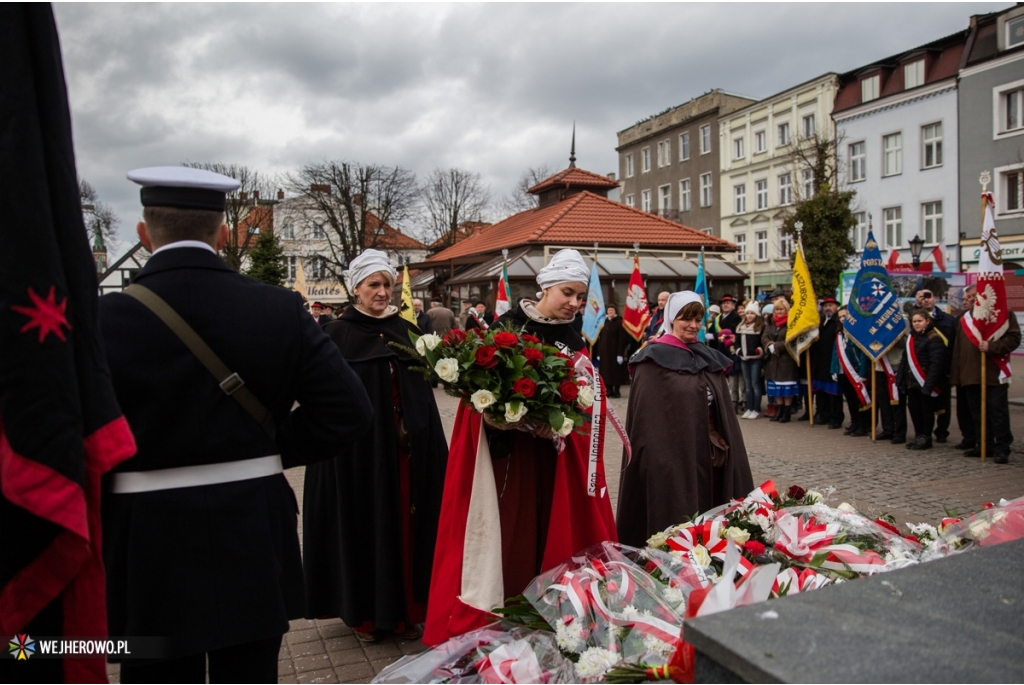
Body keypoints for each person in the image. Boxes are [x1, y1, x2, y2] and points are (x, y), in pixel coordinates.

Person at [100, 166, 374, 683]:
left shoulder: (101, 319)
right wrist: (265, 451)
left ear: (143, 233)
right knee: (248, 671)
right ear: (224, 234)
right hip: (250, 521)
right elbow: (349, 413)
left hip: (143, 535)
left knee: (156, 672)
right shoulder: (279, 309)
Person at [424, 249, 618, 646]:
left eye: (581, 297)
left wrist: (559, 423)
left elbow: (583, 401)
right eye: (568, 293)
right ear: (545, 286)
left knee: (553, 524)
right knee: (511, 532)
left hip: (552, 458)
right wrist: (497, 415)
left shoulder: (574, 339)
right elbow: (476, 396)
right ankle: (503, 607)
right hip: (506, 459)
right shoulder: (505, 330)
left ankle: (554, 611)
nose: (574, 304)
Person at [303, 249, 449, 643]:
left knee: (407, 526)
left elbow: (423, 393)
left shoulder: (408, 331)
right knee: (365, 526)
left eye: (386, 284)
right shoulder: (335, 334)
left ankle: (407, 610)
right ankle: (366, 614)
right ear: (356, 289)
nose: (383, 292)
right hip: (359, 458)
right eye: (374, 285)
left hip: (405, 455)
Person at [617, 291, 754, 546]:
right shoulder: (652, 360)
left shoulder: (705, 354)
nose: (693, 326)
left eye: (697, 320)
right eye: (685, 319)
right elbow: (647, 422)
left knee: (712, 512)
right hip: (672, 459)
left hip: (711, 456)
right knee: (677, 516)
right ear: (671, 319)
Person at [949, 297, 1020, 463]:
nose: (971, 300)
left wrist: (992, 347)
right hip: (969, 374)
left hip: (993, 374)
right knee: (977, 414)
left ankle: (1002, 448)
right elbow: (957, 349)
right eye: (967, 298)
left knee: (997, 413)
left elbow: (1014, 339)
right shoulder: (963, 319)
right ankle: (984, 445)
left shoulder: (1003, 315)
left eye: (974, 296)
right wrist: (956, 375)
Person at [896, 309, 949, 450]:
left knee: (926, 411)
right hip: (912, 382)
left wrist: (929, 385)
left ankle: (926, 437)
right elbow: (905, 360)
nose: (916, 324)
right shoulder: (911, 338)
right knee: (914, 410)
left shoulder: (934, 338)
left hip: (925, 382)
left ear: (927, 321)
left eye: (919, 321)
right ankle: (918, 435)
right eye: (914, 321)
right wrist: (900, 379)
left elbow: (936, 365)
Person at [916, 287, 954, 443]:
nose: (926, 299)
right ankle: (925, 432)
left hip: (943, 368)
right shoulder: (914, 318)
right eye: (921, 297)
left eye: (928, 295)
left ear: (935, 298)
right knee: (925, 403)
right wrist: (916, 307)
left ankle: (942, 431)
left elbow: (953, 345)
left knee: (944, 402)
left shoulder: (948, 319)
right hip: (923, 369)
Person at [807, 297, 844, 428]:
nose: (828, 308)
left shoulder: (839, 322)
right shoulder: (820, 322)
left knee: (833, 394)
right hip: (819, 363)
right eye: (826, 306)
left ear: (836, 307)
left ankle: (836, 418)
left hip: (831, 362)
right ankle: (822, 415)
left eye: (831, 305)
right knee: (821, 393)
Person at [762, 294, 799, 423]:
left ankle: (786, 413)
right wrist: (769, 345)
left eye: (781, 309)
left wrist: (778, 346)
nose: (778, 312)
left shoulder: (791, 323)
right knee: (776, 389)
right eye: (776, 309)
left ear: (786, 310)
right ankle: (779, 411)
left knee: (786, 389)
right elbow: (764, 336)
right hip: (773, 361)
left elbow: (791, 340)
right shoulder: (770, 323)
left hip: (786, 360)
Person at [953, 285, 978, 450]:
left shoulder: (985, 319)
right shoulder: (960, 319)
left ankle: (982, 441)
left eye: (970, 298)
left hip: (977, 373)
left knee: (977, 409)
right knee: (963, 410)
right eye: (964, 299)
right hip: (961, 372)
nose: (966, 301)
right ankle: (968, 438)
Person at [593, 305, 632, 398]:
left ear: (615, 311)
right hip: (604, 353)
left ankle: (616, 390)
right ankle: (608, 390)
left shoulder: (619, 323)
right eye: (609, 310)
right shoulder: (604, 323)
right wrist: (599, 353)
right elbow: (600, 339)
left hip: (615, 352)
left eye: (612, 310)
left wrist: (620, 354)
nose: (610, 312)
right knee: (606, 372)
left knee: (616, 372)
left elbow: (622, 339)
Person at [736, 301, 765, 419]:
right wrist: (738, 350)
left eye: (752, 313)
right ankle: (748, 408)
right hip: (744, 358)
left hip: (755, 359)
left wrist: (759, 350)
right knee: (747, 385)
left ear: (756, 315)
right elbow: (737, 342)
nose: (749, 315)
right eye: (747, 313)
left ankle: (756, 409)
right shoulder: (740, 327)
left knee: (755, 384)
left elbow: (762, 342)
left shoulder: (760, 327)